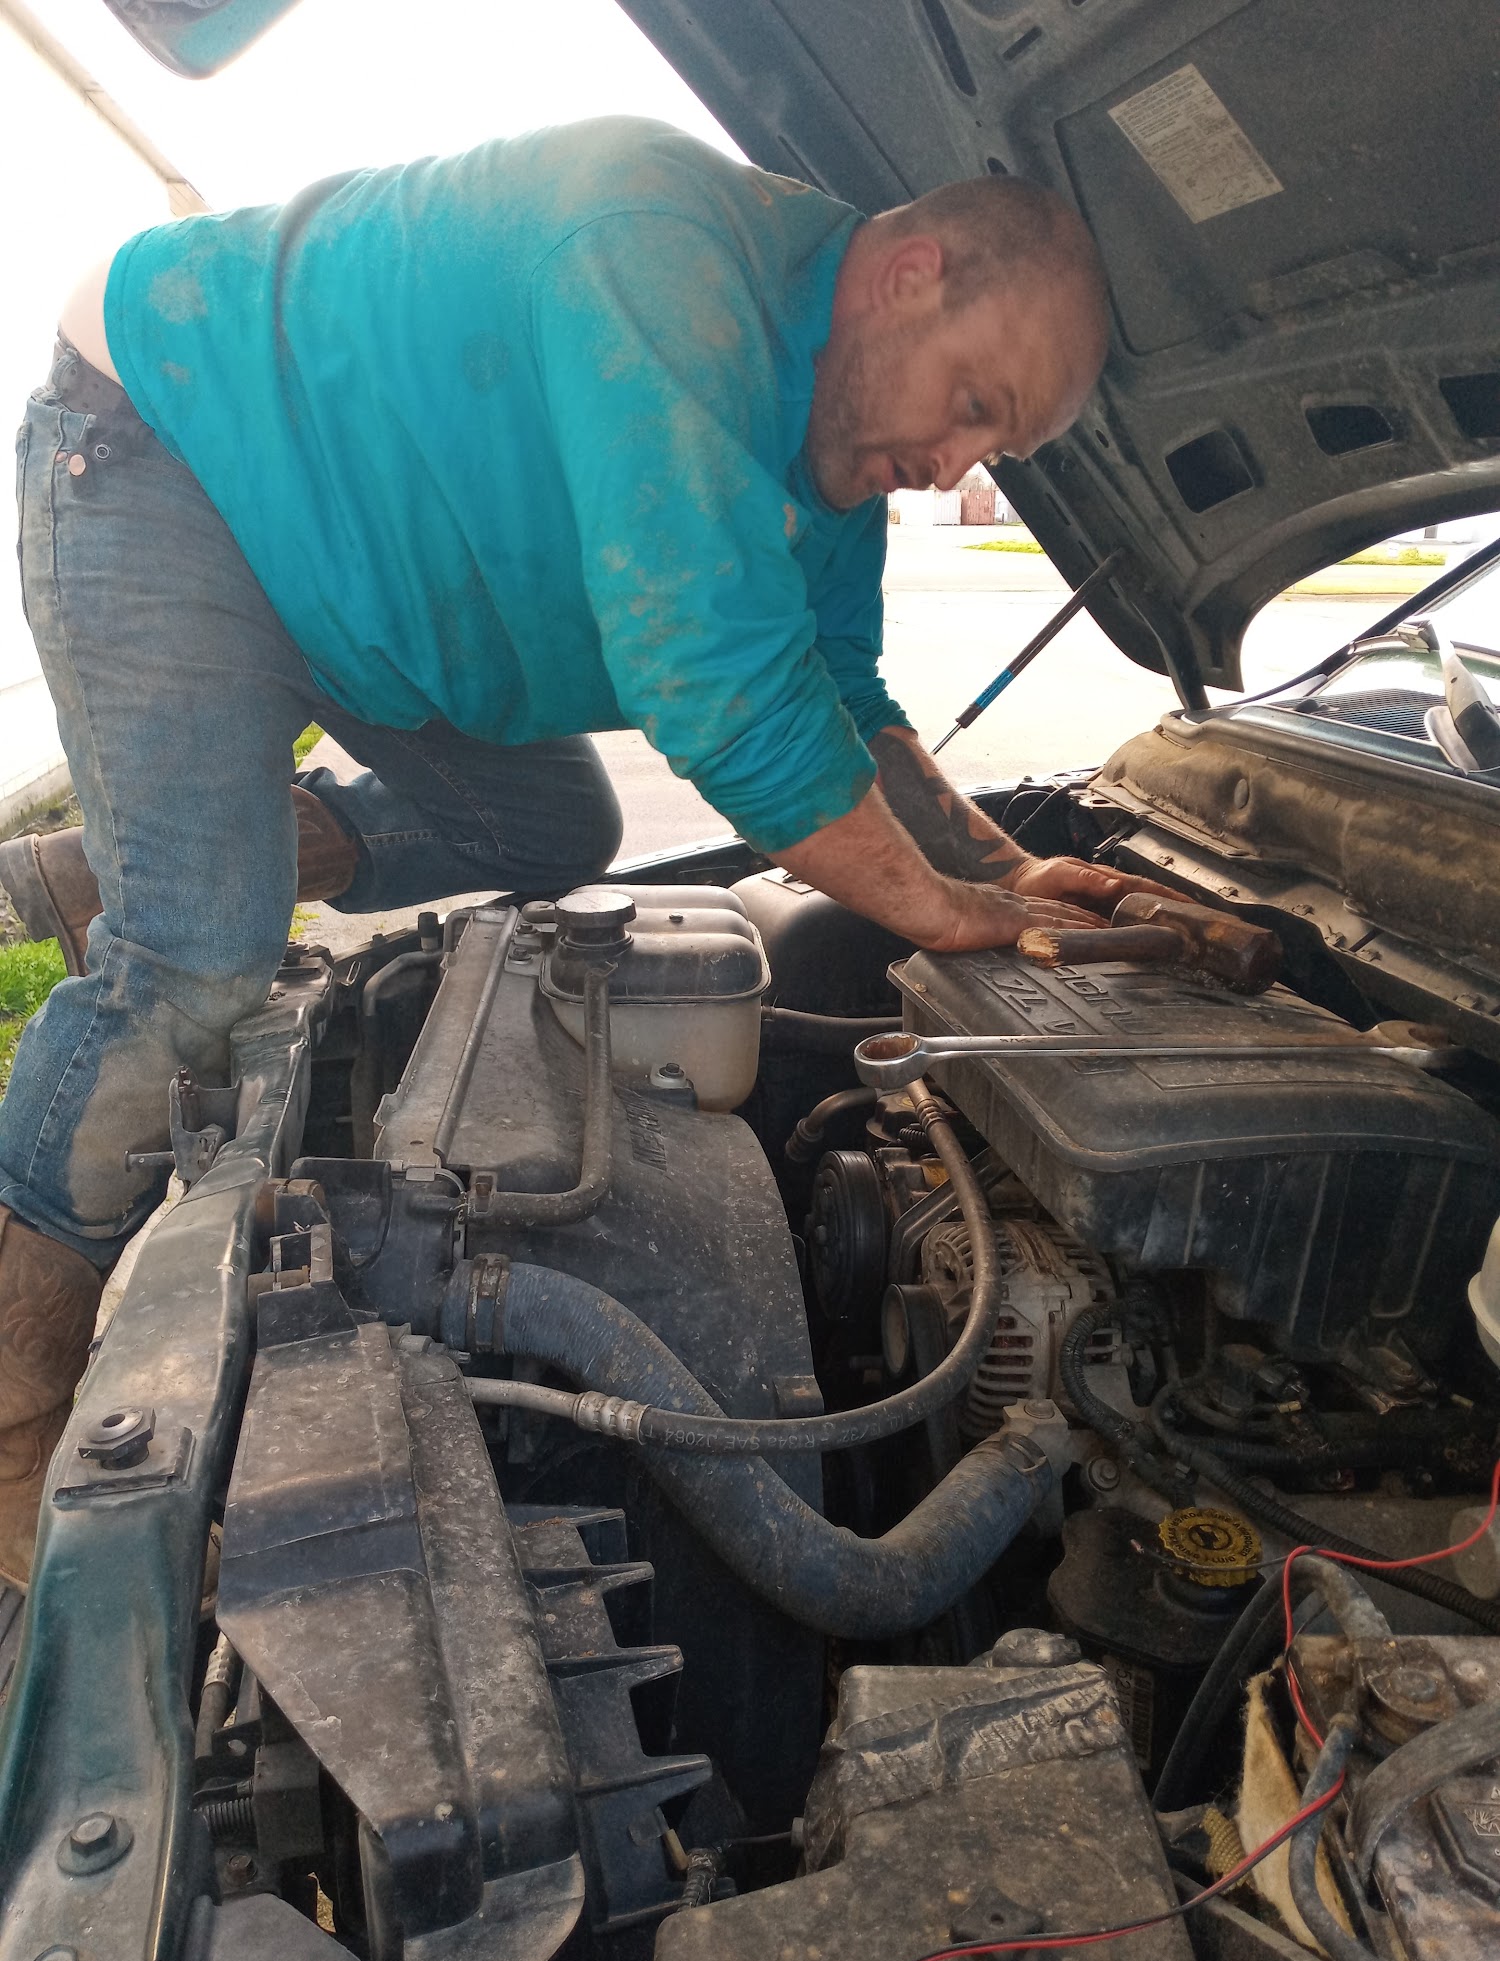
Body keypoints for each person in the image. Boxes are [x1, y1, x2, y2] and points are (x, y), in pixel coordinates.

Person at [0, 116, 1160, 1587]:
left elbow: (842, 697)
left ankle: (170, 832)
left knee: (559, 825)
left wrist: (1003, 876)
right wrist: (933, 913)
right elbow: (719, 686)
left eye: (994, 448)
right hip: (174, 457)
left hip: (364, 582)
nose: (952, 466)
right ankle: (12, 1418)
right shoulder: (663, 251)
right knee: (195, 964)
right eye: (973, 406)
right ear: (909, 273)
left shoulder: (834, 458)